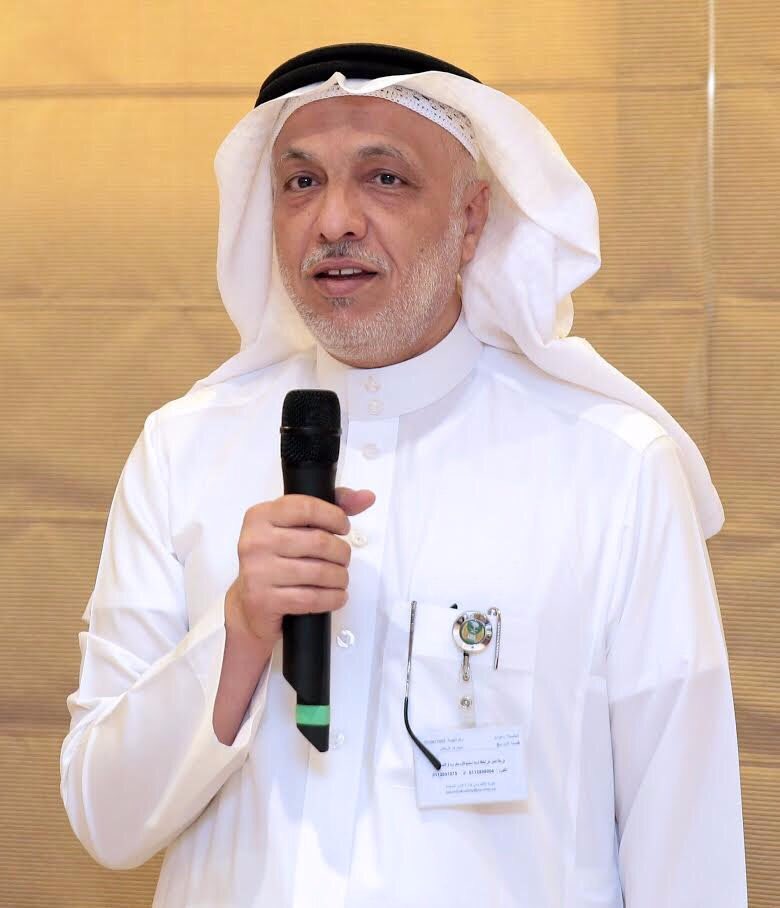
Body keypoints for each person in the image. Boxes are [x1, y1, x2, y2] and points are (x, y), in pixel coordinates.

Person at [60, 43, 747, 907]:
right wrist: (236, 632)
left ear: (471, 220)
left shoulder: (614, 469)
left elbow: (686, 843)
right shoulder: (181, 451)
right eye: (301, 182)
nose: (334, 220)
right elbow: (106, 818)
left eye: (384, 178)